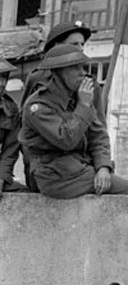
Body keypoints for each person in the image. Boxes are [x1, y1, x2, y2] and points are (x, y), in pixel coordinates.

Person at [18, 45, 128, 198]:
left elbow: (98, 136)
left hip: (79, 169)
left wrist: (103, 167)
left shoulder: (79, 97)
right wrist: (83, 106)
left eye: (82, 67)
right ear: (58, 72)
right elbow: (66, 139)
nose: (82, 74)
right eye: (74, 69)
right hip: (55, 176)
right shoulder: (38, 105)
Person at [20, 20, 101, 192]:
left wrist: (102, 166)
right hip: (48, 166)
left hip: (80, 164)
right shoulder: (37, 81)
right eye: (74, 44)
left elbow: (97, 129)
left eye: (82, 44)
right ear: (56, 47)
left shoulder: (87, 84)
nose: (80, 48)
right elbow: (24, 126)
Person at [0, 58, 27, 194]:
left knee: (24, 195)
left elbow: (10, 150)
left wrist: (1, 176)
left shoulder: (10, 108)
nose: (1, 83)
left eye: (4, 78)